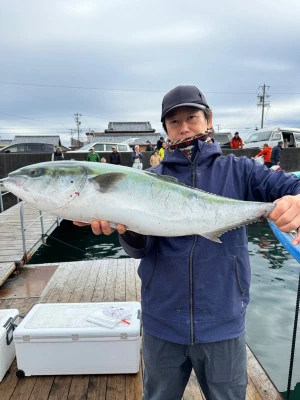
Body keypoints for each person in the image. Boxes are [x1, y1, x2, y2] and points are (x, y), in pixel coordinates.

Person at [74, 85, 300, 400]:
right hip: (162, 323)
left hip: (223, 322)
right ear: (165, 129)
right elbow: (142, 249)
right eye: (174, 122)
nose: (184, 128)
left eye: (191, 117)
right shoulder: (147, 181)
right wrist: (126, 229)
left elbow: (289, 184)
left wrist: (296, 200)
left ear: (208, 120)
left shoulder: (240, 171)